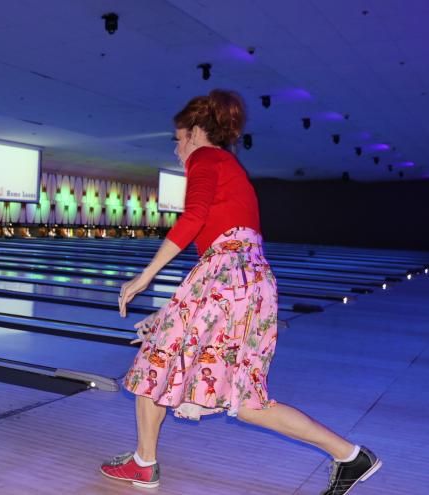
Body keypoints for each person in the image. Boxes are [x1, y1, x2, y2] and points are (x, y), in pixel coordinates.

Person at [99, 90, 382, 494]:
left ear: (196, 132)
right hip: (250, 283)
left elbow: (196, 220)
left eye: (179, 139)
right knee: (247, 401)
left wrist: (145, 276)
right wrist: (168, 314)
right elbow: (226, 266)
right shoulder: (231, 168)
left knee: (155, 363)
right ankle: (350, 455)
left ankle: (144, 464)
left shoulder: (206, 158)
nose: (178, 149)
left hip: (226, 275)